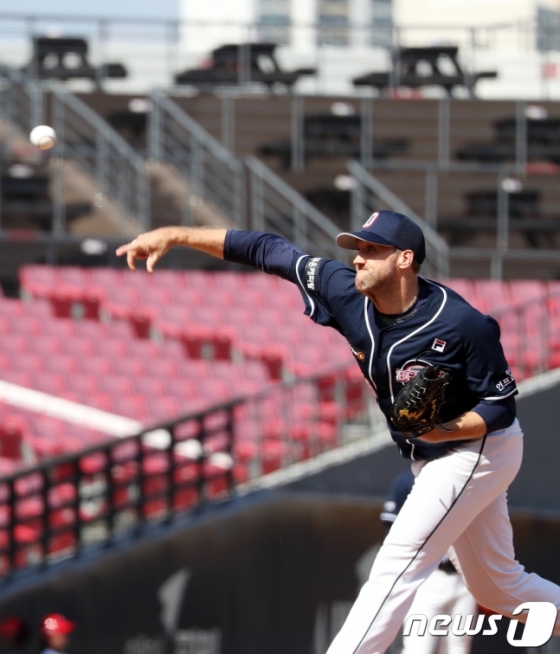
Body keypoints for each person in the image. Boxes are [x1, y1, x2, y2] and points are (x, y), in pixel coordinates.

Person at [116, 211, 560, 653]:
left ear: (405, 259)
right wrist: (176, 234)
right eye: (358, 249)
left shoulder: (461, 323)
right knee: (497, 590)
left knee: (398, 561)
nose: (359, 260)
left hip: (475, 449)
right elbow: (269, 249)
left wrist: (443, 429)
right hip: (429, 455)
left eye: (372, 250)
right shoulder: (343, 291)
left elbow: (500, 408)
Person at [381, 470, 477, 654]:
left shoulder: (470, 478)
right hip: (427, 577)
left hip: (465, 579)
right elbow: (390, 532)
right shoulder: (409, 480)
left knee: (458, 648)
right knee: (418, 648)